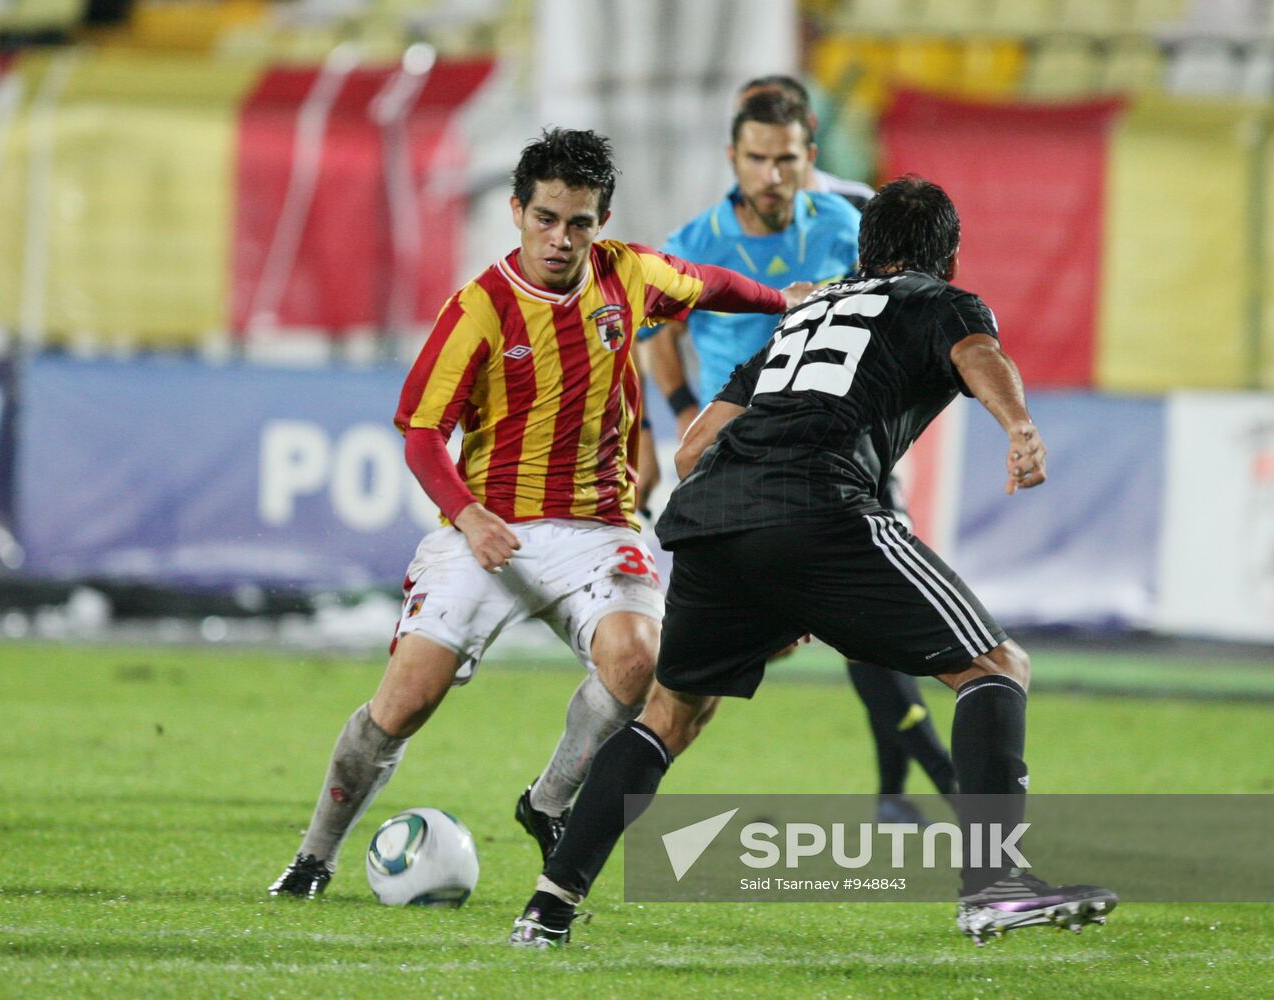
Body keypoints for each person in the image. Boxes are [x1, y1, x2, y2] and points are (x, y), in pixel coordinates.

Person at [509, 176, 1117, 947]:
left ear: (862, 250)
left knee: (669, 713)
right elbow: (976, 354)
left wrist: (774, 586)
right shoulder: (941, 301)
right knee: (995, 667)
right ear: (949, 259)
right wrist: (1019, 424)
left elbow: (693, 448)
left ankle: (547, 909)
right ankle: (993, 885)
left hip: (713, 518)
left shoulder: (807, 314)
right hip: (821, 503)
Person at [268, 127, 815, 899]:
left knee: (637, 663)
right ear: (517, 212)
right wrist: (465, 514)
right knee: (403, 702)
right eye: (547, 219)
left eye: (580, 222)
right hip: (488, 527)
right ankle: (313, 858)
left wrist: (781, 299)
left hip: (596, 528)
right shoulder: (479, 310)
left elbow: (708, 282)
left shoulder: (628, 274)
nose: (561, 239)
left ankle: (547, 799)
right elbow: (422, 435)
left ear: (600, 221)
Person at [639, 82, 956, 826]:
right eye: (757, 159)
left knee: (873, 628)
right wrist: (688, 419)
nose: (771, 175)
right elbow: (659, 336)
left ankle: (917, 791)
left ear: (807, 158)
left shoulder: (843, 223)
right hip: (733, 455)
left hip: (837, 448)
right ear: (734, 157)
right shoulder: (697, 241)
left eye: (785, 160)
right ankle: (919, 792)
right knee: (697, 679)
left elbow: (890, 302)